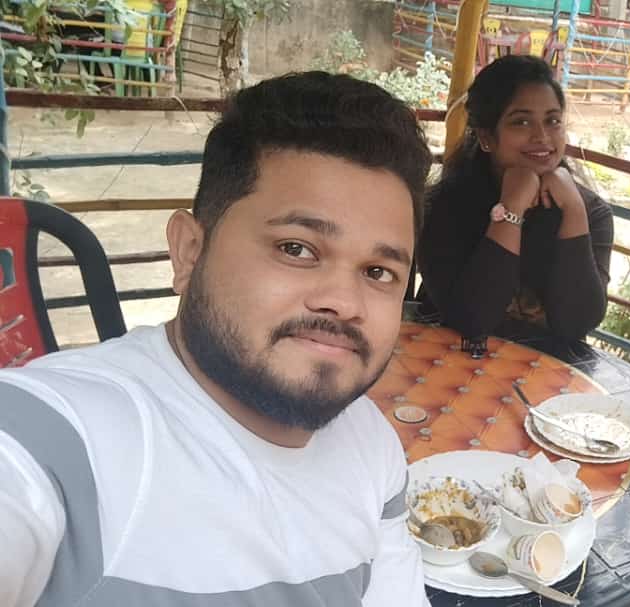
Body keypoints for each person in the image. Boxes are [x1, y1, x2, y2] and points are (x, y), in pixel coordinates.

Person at [0, 72, 433, 607]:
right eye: (297, 249)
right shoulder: (65, 442)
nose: (344, 302)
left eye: (378, 272)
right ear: (189, 251)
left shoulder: (372, 444)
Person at [416, 54, 614, 343]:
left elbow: (578, 323)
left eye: (553, 120)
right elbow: (472, 322)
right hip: (444, 360)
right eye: (521, 122)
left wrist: (574, 211)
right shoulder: (444, 206)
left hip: (546, 368)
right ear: (486, 137)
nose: (542, 136)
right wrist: (511, 209)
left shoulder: (591, 212)